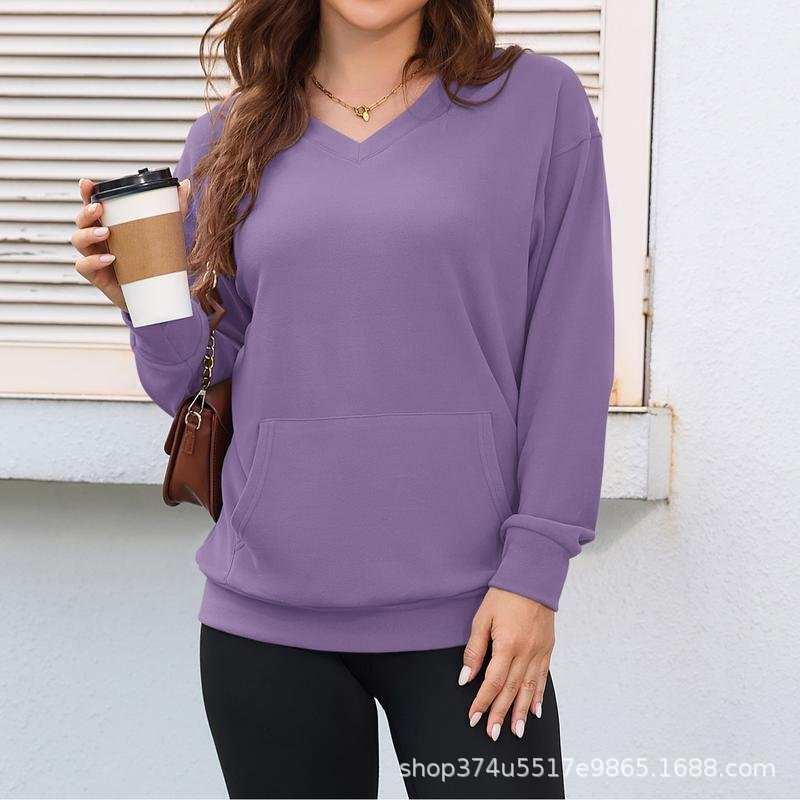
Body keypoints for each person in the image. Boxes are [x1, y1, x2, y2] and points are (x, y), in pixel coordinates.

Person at [71, 1, 613, 797]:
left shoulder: (536, 103)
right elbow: (203, 382)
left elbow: (573, 349)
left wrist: (535, 573)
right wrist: (141, 298)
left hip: (475, 615)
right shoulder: (229, 136)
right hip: (267, 621)